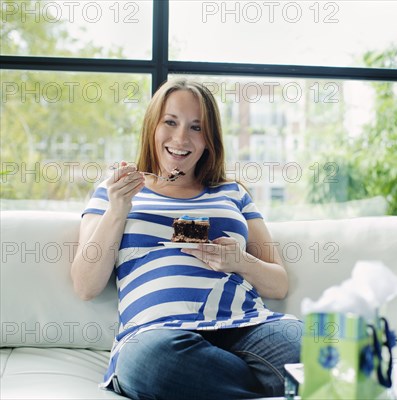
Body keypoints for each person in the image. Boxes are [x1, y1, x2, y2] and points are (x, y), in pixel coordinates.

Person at [71, 78, 302, 399]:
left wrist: (240, 261)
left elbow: (279, 284)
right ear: (152, 126)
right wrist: (118, 209)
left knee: (306, 342)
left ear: (209, 139)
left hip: (246, 325)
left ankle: (214, 384)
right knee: (152, 364)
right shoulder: (116, 190)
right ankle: (270, 389)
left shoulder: (232, 193)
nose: (181, 138)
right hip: (158, 334)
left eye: (196, 127)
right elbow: (86, 285)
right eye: (170, 122)